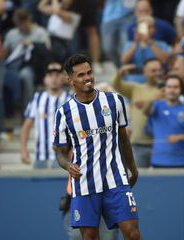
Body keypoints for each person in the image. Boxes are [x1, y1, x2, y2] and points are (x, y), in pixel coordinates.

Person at [53, 54, 142, 240]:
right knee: (89, 237)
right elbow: (60, 152)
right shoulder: (63, 113)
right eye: (81, 75)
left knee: (132, 233)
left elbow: (123, 138)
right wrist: (67, 165)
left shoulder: (114, 101)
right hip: (85, 182)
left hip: (115, 178)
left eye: (89, 72)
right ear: (70, 80)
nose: (87, 78)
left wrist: (133, 169)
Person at [112, 59, 164, 167]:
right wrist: (120, 73)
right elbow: (115, 85)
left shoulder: (168, 89)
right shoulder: (136, 88)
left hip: (161, 144)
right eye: (153, 71)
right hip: (138, 144)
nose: (157, 73)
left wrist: (146, 102)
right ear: (145, 73)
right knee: (139, 180)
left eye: (159, 70)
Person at [21, 62, 71, 169]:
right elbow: (26, 126)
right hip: (41, 156)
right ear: (45, 79)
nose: (54, 79)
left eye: (57, 75)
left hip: (63, 157)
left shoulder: (70, 99)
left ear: (63, 78)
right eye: (50, 75)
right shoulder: (37, 98)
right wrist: (23, 150)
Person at [145, 75, 184, 168]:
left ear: (181, 90)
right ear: (164, 89)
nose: (172, 90)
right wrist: (153, 97)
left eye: (176, 87)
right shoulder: (156, 105)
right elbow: (145, 111)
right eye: (169, 87)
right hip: (158, 160)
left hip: (181, 161)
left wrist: (180, 137)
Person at [3, 8, 51, 111]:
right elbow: (4, 53)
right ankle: (12, 106)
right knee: (4, 74)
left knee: (25, 75)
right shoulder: (11, 34)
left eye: (24, 23)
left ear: (29, 20)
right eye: (19, 24)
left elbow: (47, 54)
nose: (21, 26)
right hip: (13, 65)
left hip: (33, 66)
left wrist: (32, 45)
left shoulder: (40, 32)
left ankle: (28, 109)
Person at [121, 16, 171, 83]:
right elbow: (124, 61)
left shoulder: (162, 44)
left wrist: (149, 42)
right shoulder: (129, 44)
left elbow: (164, 60)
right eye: (144, 27)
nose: (148, 29)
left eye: (150, 27)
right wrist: (136, 43)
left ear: (154, 29)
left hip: (156, 79)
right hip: (134, 79)